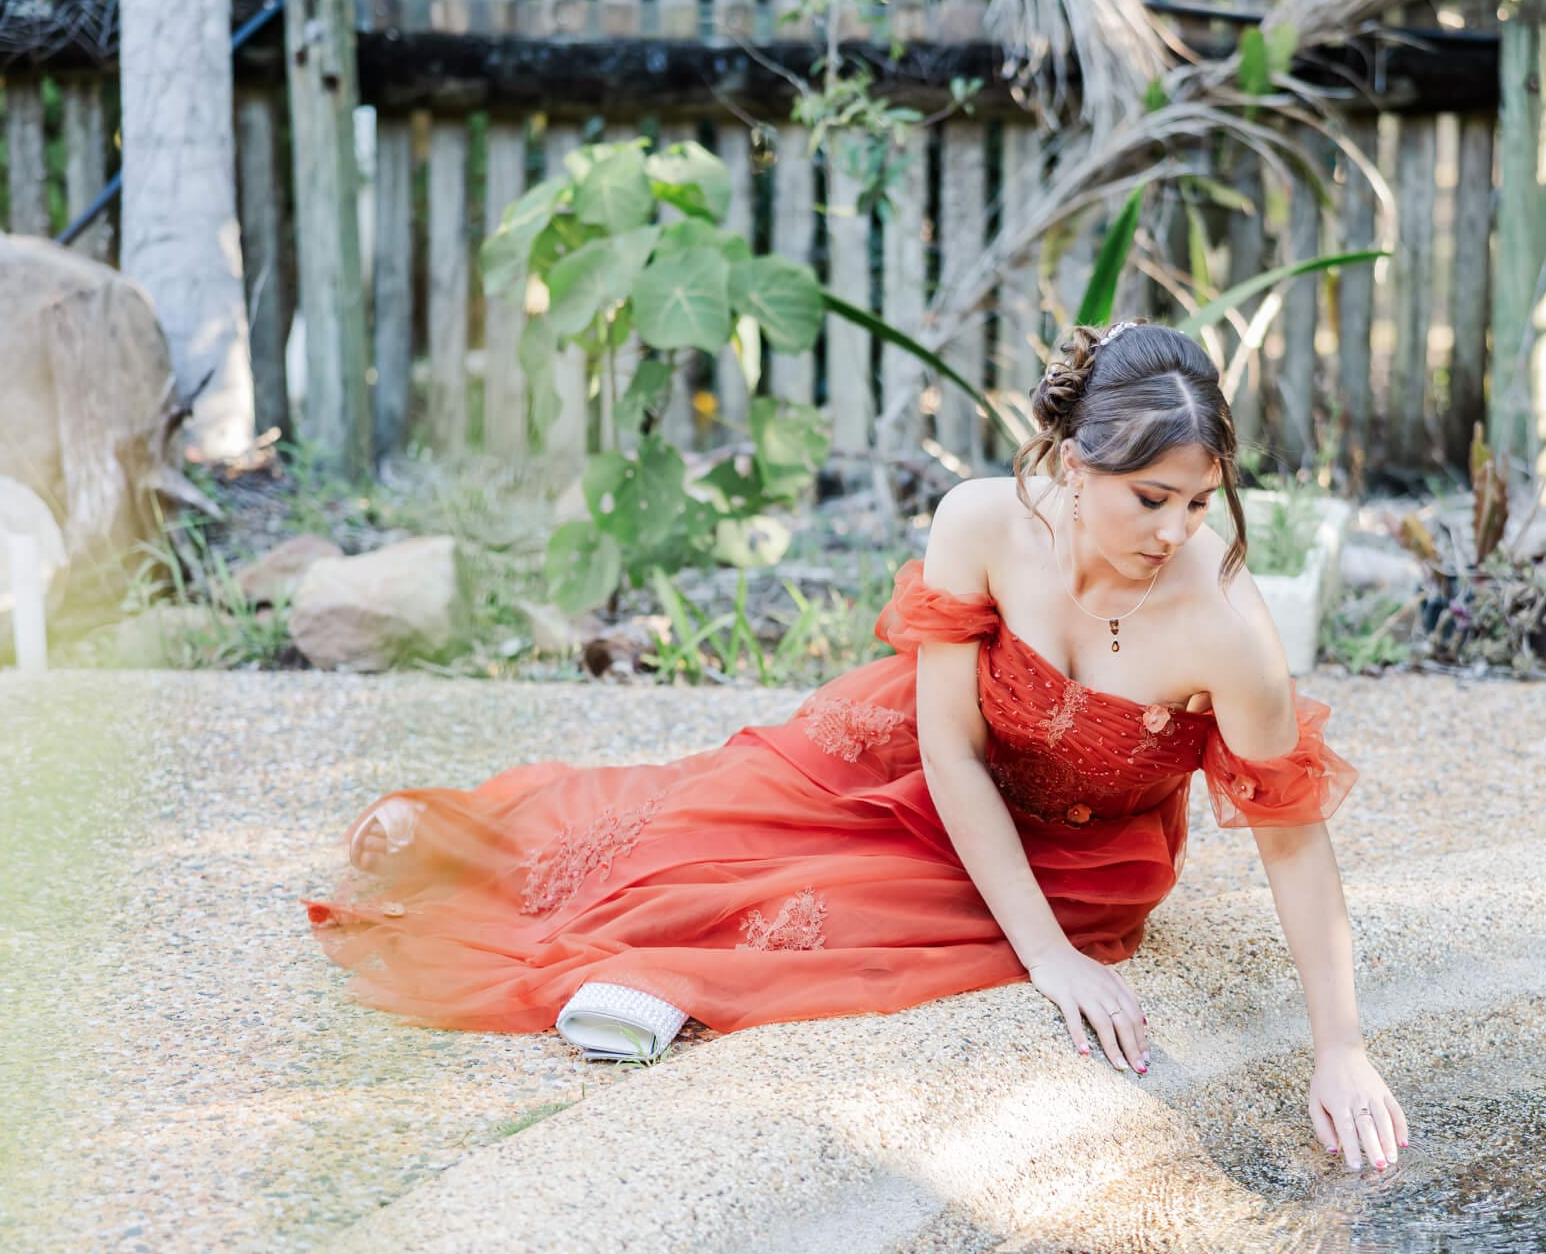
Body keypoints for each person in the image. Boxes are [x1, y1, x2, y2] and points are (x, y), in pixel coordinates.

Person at [304, 319, 1409, 1171]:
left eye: (1199, 501)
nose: (1173, 532)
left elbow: (1293, 846)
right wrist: (1047, 964)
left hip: (1079, 856)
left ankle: (655, 979)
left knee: (839, 913)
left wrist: (1339, 1046)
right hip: (918, 759)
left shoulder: (1229, 631)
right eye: (1148, 497)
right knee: (703, 823)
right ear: (1072, 464)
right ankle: (476, 845)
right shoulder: (979, 520)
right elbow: (949, 749)